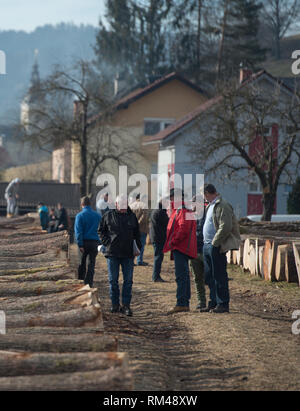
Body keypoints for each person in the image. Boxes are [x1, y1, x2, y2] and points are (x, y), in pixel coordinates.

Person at [99, 194, 142, 317]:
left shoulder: (132, 216)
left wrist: (138, 248)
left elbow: (137, 234)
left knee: (128, 281)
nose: (123, 207)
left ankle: (126, 306)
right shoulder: (108, 215)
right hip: (112, 254)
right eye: (120, 205)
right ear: (116, 204)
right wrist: (107, 243)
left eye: (125, 204)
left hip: (128, 254)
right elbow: (100, 230)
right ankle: (115, 304)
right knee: (113, 281)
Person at [202, 184, 241, 314]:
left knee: (219, 275)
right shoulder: (210, 205)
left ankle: (223, 303)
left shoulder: (223, 205)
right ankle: (213, 302)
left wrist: (215, 242)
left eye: (204, 194)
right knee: (209, 276)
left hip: (216, 245)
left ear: (208, 193)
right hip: (207, 244)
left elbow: (225, 226)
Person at [163, 188, 197, 314]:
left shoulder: (182, 210)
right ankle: (184, 302)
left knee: (181, 276)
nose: (170, 200)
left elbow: (183, 228)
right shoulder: (183, 209)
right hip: (183, 247)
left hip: (181, 247)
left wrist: (174, 241)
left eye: (171, 198)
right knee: (184, 276)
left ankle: (181, 303)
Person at [74, 196, 101, 288]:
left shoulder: (79, 216)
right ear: (90, 204)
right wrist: (100, 242)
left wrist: (80, 244)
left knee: (82, 263)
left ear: (82, 204)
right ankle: (89, 283)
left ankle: (81, 282)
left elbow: (78, 232)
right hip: (94, 242)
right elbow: (101, 230)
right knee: (91, 263)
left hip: (84, 242)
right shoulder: (98, 215)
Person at [189, 196, 206, 310]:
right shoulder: (190, 216)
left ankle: (213, 300)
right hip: (193, 251)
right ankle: (201, 301)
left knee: (209, 277)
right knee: (197, 278)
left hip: (205, 250)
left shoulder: (207, 214)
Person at [149, 198, 169, 282]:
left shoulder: (156, 211)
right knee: (158, 257)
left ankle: (156, 276)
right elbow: (167, 223)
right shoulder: (161, 212)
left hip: (156, 237)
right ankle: (156, 276)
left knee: (158, 256)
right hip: (159, 238)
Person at [130, 193, 149, 266]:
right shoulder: (144, 205)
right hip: (142, 228)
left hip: (132, 228)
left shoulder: (131, 205)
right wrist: (138, 223)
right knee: (141, 245)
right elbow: (145, 217)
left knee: (133, 245)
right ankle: (139, 260)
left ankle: (132, 260)